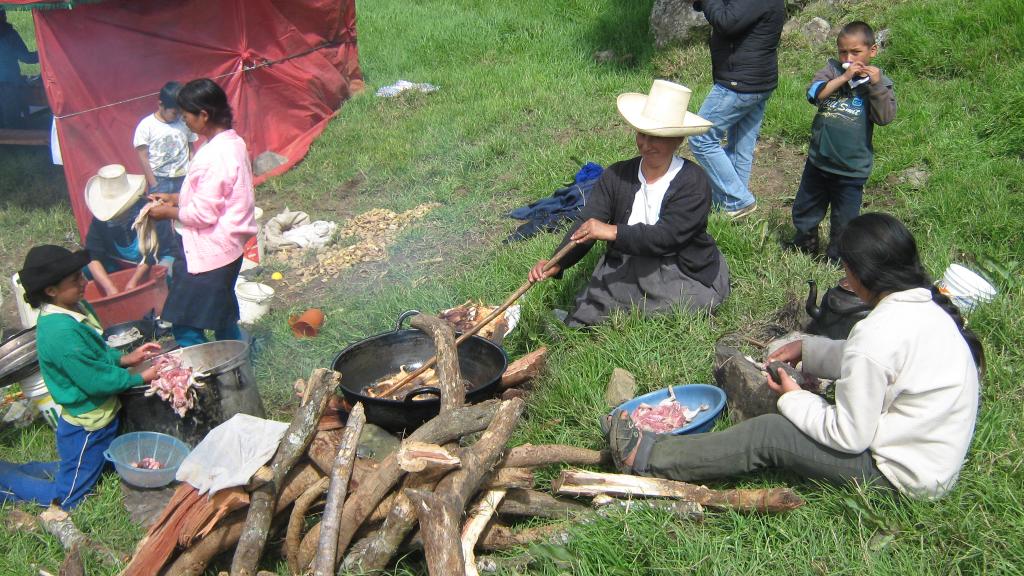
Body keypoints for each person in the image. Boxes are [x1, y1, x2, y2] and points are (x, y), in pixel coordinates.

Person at [605, 213, 983, 499]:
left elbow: (849, 436)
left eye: (846, 270)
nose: (844, 279)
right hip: (934, 461)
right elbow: (877, 362)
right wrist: (810, 350)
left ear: (861, 273)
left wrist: (794, 398)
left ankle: (646, 454)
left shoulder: (878, 334)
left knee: (770, 434)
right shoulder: (928, 310)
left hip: (903, 476)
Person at [529, 80, 730, 327]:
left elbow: (667, 237)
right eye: (641, 134)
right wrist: (557, 262)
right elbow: (587, 224)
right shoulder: (616, 175)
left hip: (678, 266)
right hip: (629, 260)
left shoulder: (693, 181)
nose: (645, 144)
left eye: (656, 137)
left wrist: (611, 231)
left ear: (678, 139)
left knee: (681, 305)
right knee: (591, 311)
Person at [0, 245, 161, 508]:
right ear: (51, 290)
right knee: (68, 498)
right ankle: (6, 481)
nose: (84, 281)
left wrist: (123, 359)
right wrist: (139, 377)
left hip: (100, 420)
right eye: (75, 280)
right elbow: (95, 380)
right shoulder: (60, 332)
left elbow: (95, 354)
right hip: (88, 428)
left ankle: (27, 470)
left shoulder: (72, 312)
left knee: (84, 470)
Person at [147, 78, 256, 347]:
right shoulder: (232, 143)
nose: (185, 123)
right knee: (221, 318)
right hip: (229, 249)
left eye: (187, 117)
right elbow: (216, 195)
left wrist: (168, 212)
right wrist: (174, 197)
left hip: (211, 254)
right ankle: (238, 368)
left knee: (184, 325)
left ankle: (207, 378)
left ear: (204, 115)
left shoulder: (214, 155)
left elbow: (203, 215)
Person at [787, 22, 897, 262]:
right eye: (843, 52)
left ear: (872, 51)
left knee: (844, 219)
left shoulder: (879, 83)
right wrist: (844, 77)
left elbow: (884, 117)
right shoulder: (831, 71)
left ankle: (837, 256)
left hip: (851, 169)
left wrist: (876, 86)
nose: (848, 58)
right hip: (819, 160)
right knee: (805, 207)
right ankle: (805, 241)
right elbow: (814, 94)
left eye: (855, 52)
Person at [687, 0, 786, 219]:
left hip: (739, 83)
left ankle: (738, 199)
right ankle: (736, 208)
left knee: (700, 138)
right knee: (741, 146)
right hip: (756, 81)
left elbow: (727, 22)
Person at [84, 164, 178, 296]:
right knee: (85, 270)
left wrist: (133, 281)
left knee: (163, 277)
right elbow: (92, 256)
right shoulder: (101, 221)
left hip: (156, 258)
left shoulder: (152, 211)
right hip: (123, 263)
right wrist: (109, 287)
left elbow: (150, 255)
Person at [134, 81, 197, 194]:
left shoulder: (184, 122)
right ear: (161, 105)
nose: (177, 116)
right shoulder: (146, 125)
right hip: (160, 180)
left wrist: (193, 173)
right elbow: (143, 157)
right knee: (160, 211)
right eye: (174, 113)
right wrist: (153, 184)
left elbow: (191, 148)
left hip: (184, 177)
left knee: (183, 210)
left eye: (180, 112)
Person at [0, 9, 38, 128]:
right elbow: (27, 57)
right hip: (9, 84)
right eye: (3, 13)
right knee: (12, 121)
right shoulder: (9, 34)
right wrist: (45, 52)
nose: (6, 16)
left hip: (8, 83)